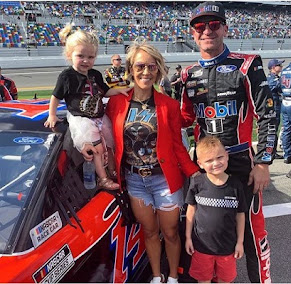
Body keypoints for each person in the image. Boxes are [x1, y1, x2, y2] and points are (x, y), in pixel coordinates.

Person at [82, 40, 200, 283]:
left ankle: (173, 277)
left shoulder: (168, 105)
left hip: (165, 180)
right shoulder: (116, 103)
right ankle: (157, 276)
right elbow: (94, 124)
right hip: (134, 181)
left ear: (158, 69)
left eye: (151, 66)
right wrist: (84, 141)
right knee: (149, 232)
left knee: (169, 233)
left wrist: (194, 173)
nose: (146, 72)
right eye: (140, 66)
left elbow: (177, 146)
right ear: (131, 69)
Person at [180, 2, 277, 283]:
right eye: (200, 26)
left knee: (251, 233)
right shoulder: (188, 75)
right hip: (204, 167)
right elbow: (183, 119)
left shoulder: (247, 64)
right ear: (193, 33)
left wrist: (262, 162)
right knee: (206, 229)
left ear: (224, 28)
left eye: (213, 24)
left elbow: (268, 115)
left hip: (240, 163)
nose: (207, 30)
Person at [44, 24, 121, 190]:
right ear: (69, 54)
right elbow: (55, 96)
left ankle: (114, 170)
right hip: (81, 118)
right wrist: (52, 115)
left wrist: (122, 90)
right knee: (97, 148)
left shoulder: (96, 74)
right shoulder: (66, 76)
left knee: (110, 142)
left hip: (99, 115)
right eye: (81, 56)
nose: (86, 61)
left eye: (91, 57)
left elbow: (106, 92)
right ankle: (103, 178)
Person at [185, 136, 246, 283]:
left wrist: (240, 242)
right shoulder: (197, 183)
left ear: (227, 156)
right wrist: (188, 237)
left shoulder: (235, 185)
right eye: (209, 160)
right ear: (200, 164)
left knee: (225, 280)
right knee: (203, 279)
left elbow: (240, 215)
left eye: (220, 157)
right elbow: (191, 210)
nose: (216, 163)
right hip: (201, 246)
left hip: (227, 247)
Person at [267, 58, 285, 159]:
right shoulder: (272, 79)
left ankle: (272, 151)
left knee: (274, 129)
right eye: (279, 65)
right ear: (273, 67)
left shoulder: (276, 78)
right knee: (272, 129)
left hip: (276, 106)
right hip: (273, 108)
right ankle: (271, 152)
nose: (281, 67)